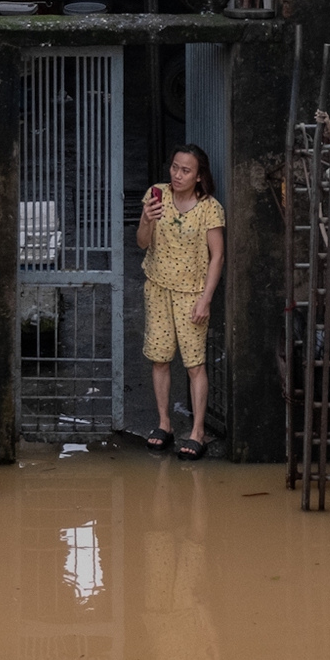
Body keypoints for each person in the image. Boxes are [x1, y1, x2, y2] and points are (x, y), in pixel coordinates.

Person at [137, 144, 224, 460]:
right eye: (174, 167)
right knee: (159, 358)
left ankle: (197, 431)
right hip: (158, 288)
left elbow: (218, 257)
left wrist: (206, 300)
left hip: (192, 294)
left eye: (186, 170)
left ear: (199, 176)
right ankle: (164, 424)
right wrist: (146, 219)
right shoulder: (156, 195)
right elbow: (142, 243)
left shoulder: (209, 208)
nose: (177, 174)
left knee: (194, 364)